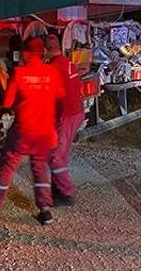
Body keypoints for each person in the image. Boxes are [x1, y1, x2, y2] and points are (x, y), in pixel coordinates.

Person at [0, 37, 65, 225]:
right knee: (40, 170)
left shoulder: (19, 73)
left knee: (7, 167)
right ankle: (45, 212)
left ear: (25, 54)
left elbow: (7, 103)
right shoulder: (52, 73)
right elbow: (59, 99)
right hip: (44, 133)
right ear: (42, 53)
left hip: (22, 133)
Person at [45, 34, 84, 206]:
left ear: (45, 51)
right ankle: (57, 192)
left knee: (54, 155)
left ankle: (66, 192)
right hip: (76, 113)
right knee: (62, 153)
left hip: (66, 115)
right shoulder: (68, 63)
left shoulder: (52, 68)